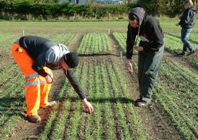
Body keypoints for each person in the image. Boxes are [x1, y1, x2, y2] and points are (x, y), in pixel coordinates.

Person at [11, 35, 94, 123]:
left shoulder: (67, 59)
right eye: (67, 67)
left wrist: (84, 100)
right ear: (63, 61)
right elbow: (36, 66)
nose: (67, 69)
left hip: (36, 54)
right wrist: (45, 75)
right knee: (33, 77)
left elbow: (73, 80)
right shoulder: (52, 54)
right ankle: (31, 113)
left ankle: (43, 102)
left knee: (49, 74)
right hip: (21, 48)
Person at [126, 7, 164, 107]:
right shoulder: (131, 25)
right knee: (141, 71)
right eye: (131, 23)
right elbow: (130, 41)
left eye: (134, 23)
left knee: (148, 72)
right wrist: (129, 59)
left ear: (139, 20)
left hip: (155, 47)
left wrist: (143, 48)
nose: (132, 25)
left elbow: (159, 42)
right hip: (143, 45)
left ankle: (146, 98)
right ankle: (142, 95)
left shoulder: (150, 22)